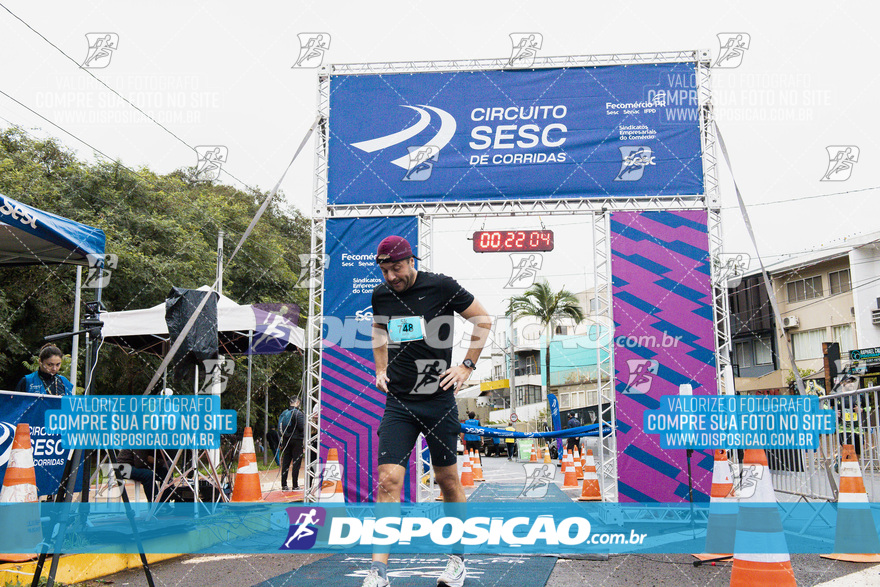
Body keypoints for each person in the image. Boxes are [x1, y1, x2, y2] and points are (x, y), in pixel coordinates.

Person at [365, 235, 492, 587]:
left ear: (411, 261)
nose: (392, 277)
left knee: (448, 481)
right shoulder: (381, 295)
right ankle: (378, 572)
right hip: (400, 402)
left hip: (438, 399)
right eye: (385, 271)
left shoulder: (442, 286)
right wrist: (380, 368)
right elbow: (378, 329)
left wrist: (467, 365)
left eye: (397, 268)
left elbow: (483, 319)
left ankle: (456, 560)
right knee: (388, 481)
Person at [278, 396, 306, 491]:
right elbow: (302, 427)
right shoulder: (298, 413)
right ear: (298, 402)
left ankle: (284, 485)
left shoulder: (284, 413)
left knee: (286, 462)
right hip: (297, 440)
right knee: (296, 463)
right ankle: (295, 485)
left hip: (286, 440)